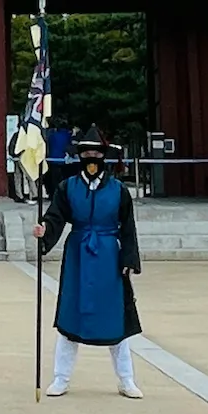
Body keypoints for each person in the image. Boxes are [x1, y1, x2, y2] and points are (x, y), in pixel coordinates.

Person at [32, 125, 142, 398]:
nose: (91, 156)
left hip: (108, 255)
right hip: (79, 254)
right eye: (86, 152)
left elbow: (128, 226)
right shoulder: (67, 187)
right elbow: (56, 216)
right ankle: (61, 378)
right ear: (79, 155)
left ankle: (126, 380)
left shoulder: (118, 190)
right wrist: (45, 230)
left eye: (95, 152)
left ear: (103, 155)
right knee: (71, 314)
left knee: (115, 317)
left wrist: (129, 258)